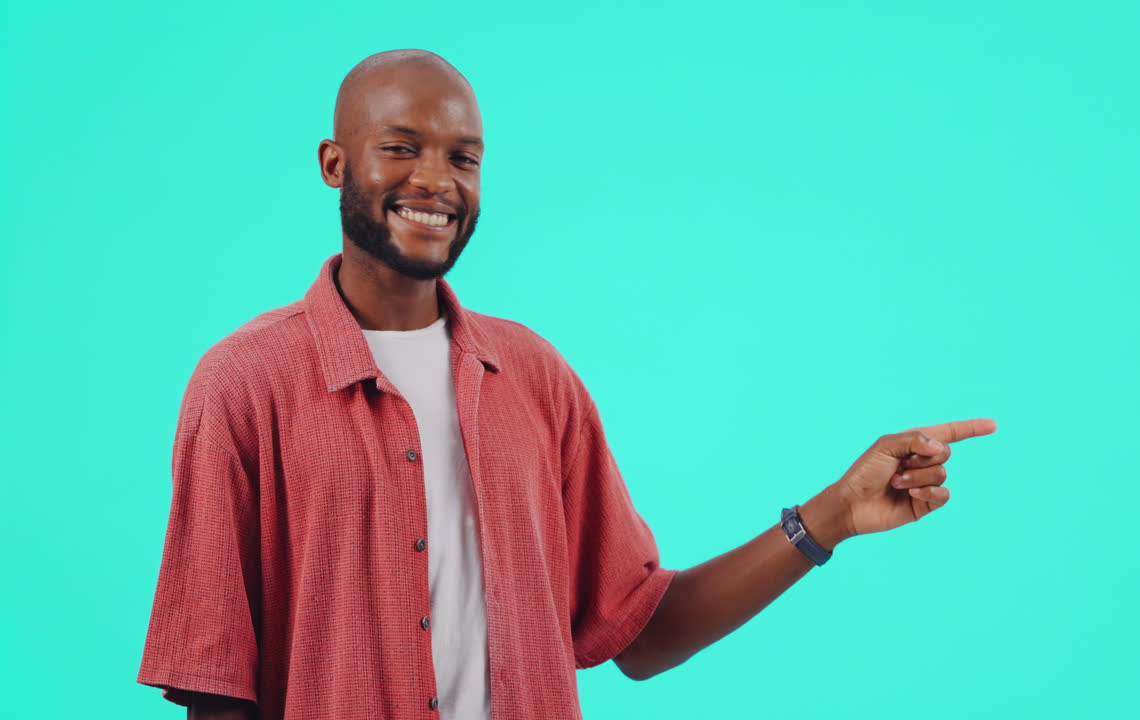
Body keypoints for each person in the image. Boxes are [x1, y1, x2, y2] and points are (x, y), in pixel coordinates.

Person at [136, 49, 997, 720]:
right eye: (400, 148)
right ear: (333, 163)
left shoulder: (534, 379)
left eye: (463, 158)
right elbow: (217, 688)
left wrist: (832, 518)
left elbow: (641, 631)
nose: (436, 180)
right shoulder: (244, 384)